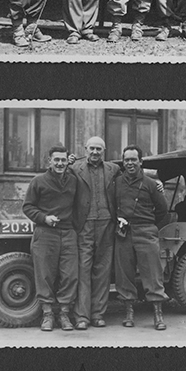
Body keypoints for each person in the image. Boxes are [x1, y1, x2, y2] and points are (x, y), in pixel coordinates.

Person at [113, 146, 171, 330]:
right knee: (124, 274)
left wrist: (152, 229)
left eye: (133, 160)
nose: (130, 163)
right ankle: (129, 312)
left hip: (146, 232)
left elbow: (163, 212)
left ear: (140, 162)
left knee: (152, 273)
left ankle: (158, 315)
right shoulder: (116, 183)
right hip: (124, 233)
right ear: (123, 162)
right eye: (126, 160)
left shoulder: (151, 184)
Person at [22, 146, 78, 331]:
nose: (60, 163)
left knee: (69, 275)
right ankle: (47, 315)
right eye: (56, 160)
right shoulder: (38, 181)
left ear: (67, 161)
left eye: (63, 160)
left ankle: (64, 314)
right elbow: (28, 207)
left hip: (69, 232)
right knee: (44, 274)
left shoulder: (73, 181)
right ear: (50, 161)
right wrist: (44, 218)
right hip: (45, 233)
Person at [70, 137, 120, 330]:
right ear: (85, 149)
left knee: (103, 270)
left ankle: (98, 314)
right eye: (92, 148)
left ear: (104, 151)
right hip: (84, 225)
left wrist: (156, 182)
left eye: (99, 149)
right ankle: (82, 316)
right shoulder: (75, 168)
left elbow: (134, 175)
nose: (95, 152)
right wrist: (68, 161)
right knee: (83, 270)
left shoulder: (112, 169)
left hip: (107, 224)